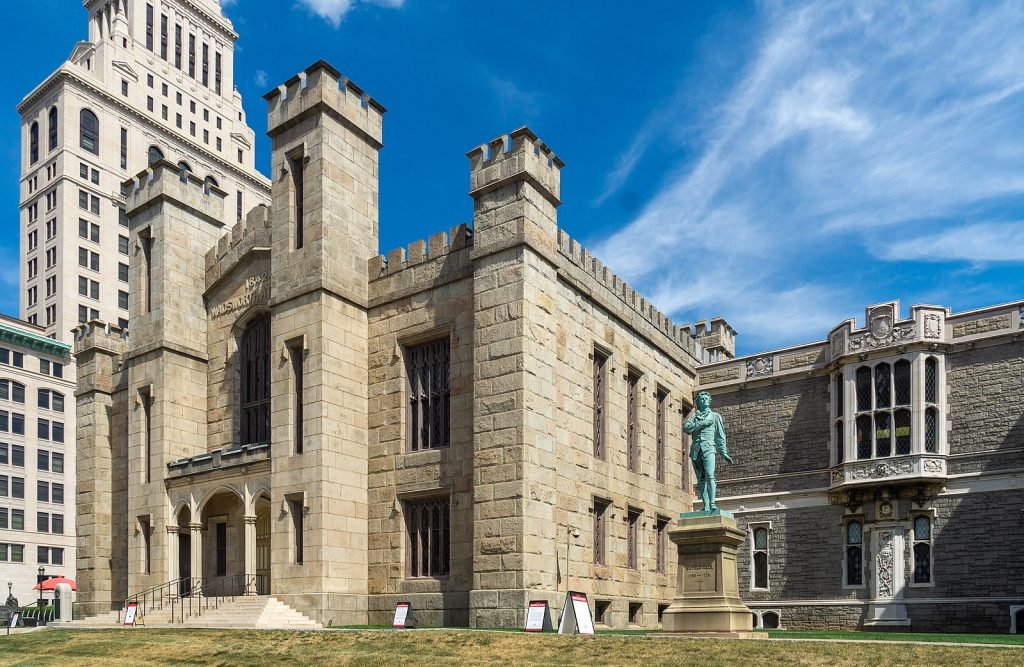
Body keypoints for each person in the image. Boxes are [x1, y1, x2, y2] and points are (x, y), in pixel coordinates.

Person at [683, 391, 733, 512]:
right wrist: (702, 423)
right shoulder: (694, 418)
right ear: (698, 402)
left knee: (710, 474)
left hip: (709, 448)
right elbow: (686, 428)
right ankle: (705, 505)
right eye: (701, 399)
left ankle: (712, 503)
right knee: (700, 478)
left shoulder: (715, 416)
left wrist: (723, 452)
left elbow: (720, 436)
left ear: (709, 401)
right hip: (695, 450)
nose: (704, 400)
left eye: (706, 399)